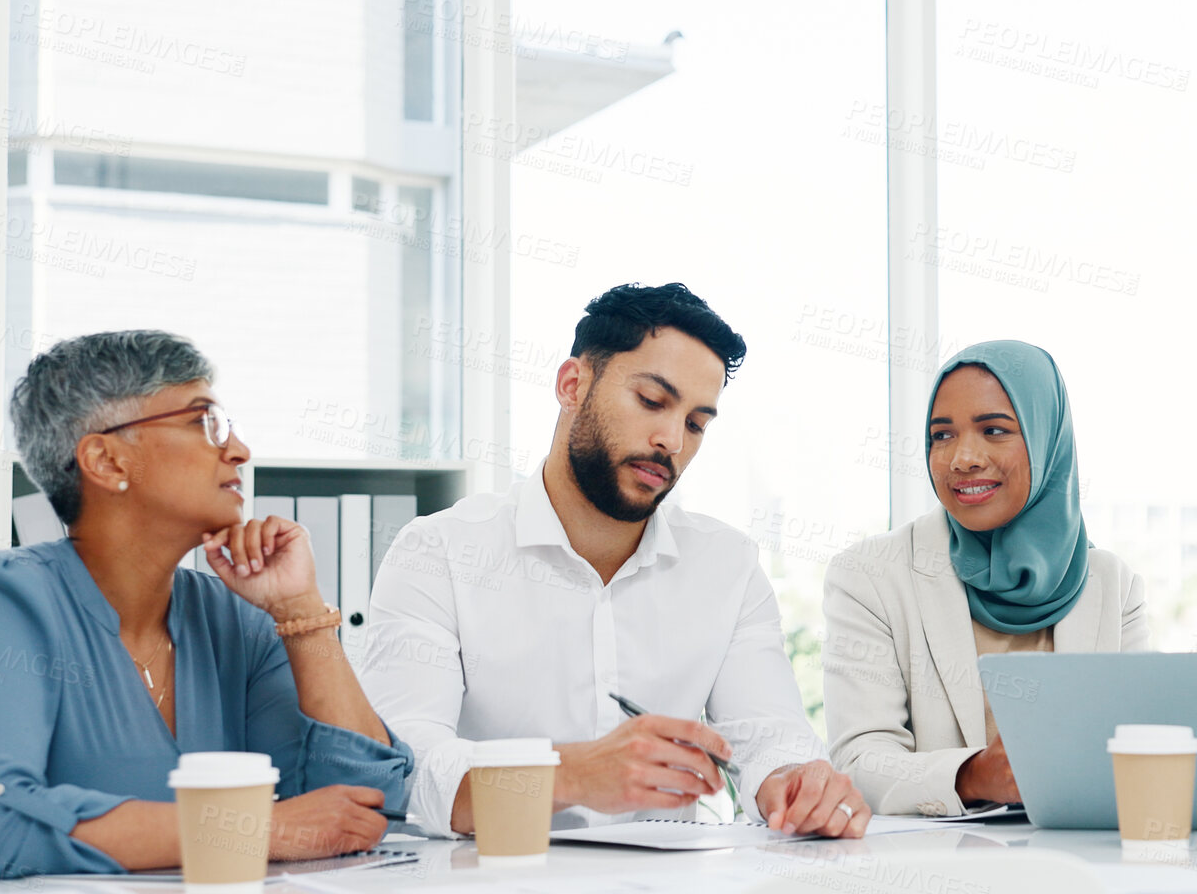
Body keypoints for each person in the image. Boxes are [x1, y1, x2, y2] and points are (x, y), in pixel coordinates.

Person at [359, 282, 869, 840]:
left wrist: (797, 784)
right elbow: (406, 772)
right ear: (572, 384)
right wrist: (572, 774)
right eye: (652, 401)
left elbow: (770, 737)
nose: (672, 439)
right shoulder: (438, 553)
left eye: (697, 424)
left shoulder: (727, 565)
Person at [0, 331, 412, 878]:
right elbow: (5, 825)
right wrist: (263, 829)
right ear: (106, 460)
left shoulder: (237, 619)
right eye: (202, 423)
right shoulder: (16, 603)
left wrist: (301, 615)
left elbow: (362, 807)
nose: (238, 449)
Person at [823, 340, 1148, 817]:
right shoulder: (870, 576)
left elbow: (1140, 748)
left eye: (994, 430)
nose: (963, 459)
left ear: (1046, 440)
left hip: (1079, 864)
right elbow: (859, 761)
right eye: (942, 435)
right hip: (935, 870)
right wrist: (973, 776)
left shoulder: (1113, 585)